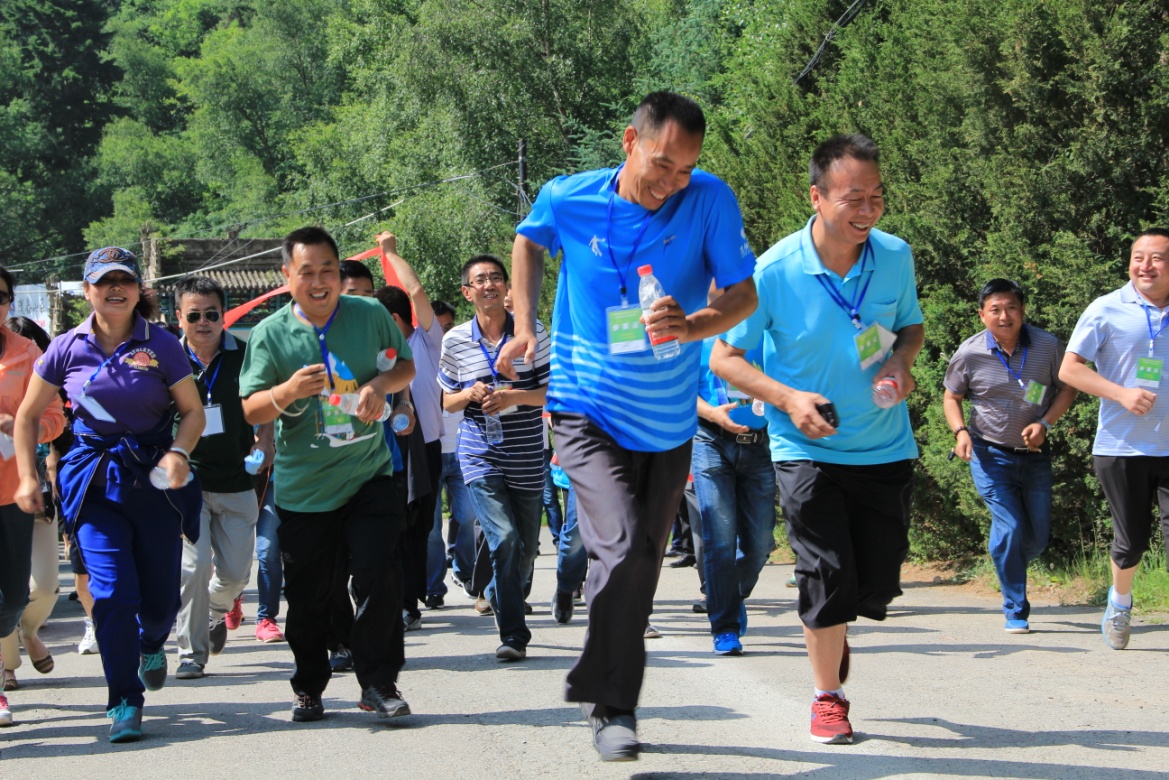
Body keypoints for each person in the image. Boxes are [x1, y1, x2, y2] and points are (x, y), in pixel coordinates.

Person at [501, 91, 757, 761]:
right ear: (629, 141)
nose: (671, 181)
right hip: (585, 406)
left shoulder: (709, 200)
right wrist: (525, 324)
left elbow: (742, 294)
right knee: (619, 547)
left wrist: (693, 325)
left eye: (685, 169)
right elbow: (527, 242)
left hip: (668, 420)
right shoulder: (569, 196)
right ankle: (613, 705)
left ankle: (604, 690)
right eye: (661, 163)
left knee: (639, 563)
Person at [711, 134, 923, 746]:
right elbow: (724, 357)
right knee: (824, 573)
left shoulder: (895, 256)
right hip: (805, 449)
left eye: (877, 197)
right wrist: (788, 399)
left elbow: (909, 325)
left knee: (874, 581)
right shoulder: (772, 272)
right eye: (853, 198)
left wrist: (900, 363)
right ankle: (828, 694)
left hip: (884, 445)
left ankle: (833, 629)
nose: (867, 210)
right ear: (817, 196)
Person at [14, 247, 203, 742]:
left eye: (125, 280)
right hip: (93, 485)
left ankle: (152, 643)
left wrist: (179, 452)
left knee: (159, 605)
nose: (115, 288)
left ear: (139, 290)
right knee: (113, 593)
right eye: (103, 281)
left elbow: (193, 412)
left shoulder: (162, 344)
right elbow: (28, 416)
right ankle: (123, 699)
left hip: (153, 482)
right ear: (87, 291)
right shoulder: (65, 347)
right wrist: (29, 477)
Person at [239, 226, 416, 722]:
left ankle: (379, 683)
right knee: (311, 596)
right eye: (307, 272)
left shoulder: (370, 314)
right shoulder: (270, 334)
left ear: (340, 273)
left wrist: (379, 386)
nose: (319, 282)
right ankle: (309, 685)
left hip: (369, 474)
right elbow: (251, 409)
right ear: (286, 276)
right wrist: (287, 392)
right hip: (305, 490)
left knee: (380, 575)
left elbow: (404, 367)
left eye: (328, 271)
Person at [943, 278, 1077, 634]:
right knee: (1011, 527)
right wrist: (960, 432)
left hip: (1035, 452)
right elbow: (951, 397)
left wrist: (1045, 424)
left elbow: (1068, 388)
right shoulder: (969, 353)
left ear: (1022, 310)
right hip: (989, 453)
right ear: (981, 314)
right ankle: (1015, 608)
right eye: (996, 310)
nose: (1004, 316)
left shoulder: (1048, 346)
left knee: (1036, 538)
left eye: (1011, 308)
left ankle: (1006, 554)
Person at [1059, 228, 1169, 650]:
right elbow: (1070, 369)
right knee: (1132, 540)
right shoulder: (1106, 308)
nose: (1146, 265)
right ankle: (1120, 602)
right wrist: (1121, 394)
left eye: (1156, 257)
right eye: (1139, 257)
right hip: (1121, 446)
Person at [439, 254, 550, 661]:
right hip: (479, 452)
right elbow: (446, 402)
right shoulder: (455, 341)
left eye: (496, 278)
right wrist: (468, 394)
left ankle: (495, 591)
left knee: (526, 550)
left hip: (527, 452)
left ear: (506, 287)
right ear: (467, 292)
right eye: (480, 280)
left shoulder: (533, 333)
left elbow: (552, 392)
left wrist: (513, 397)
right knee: (504, 539)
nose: (489, 285)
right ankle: (514, 635)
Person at [173, 276, 275, 680]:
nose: (203, 322)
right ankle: (190, 653)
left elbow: (266, 404)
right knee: (194, 567)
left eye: (211, 314)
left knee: (234, 575)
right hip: (188, 482)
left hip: (237, 478)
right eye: (194, 315)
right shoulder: (167, 360)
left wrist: (265, 440)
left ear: (224, 316)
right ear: (179, 317)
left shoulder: (246, 356)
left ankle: (216, 611)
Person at [0, 278, 66, 727]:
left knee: (11, 598)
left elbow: (55, 417)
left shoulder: (28, 354)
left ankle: (23, 631)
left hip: (14, 493)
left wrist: (22, 427)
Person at [375, 231, 445, 620]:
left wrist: (390, 253)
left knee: (419, 527)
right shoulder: (374, 352)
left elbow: (416, 291)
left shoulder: (427, 341)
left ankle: (411, 599)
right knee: (393, 526)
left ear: (394, 319)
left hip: (426, 448)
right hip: (386, 447)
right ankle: (399, 602)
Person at [692, 333, 775, 655]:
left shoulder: (763, 327)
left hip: (758, 444)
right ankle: (724, 627)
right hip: (709, 440)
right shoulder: (694, 328)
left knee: (760, 543)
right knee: (719, 539)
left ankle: (732, 594)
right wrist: (713, 414)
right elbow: (681, 390)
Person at [430, 300, 478, 593]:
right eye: (437, 327)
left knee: (468, 516)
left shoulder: (465, 355)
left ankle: (465, 572)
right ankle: (433, 586)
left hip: (462, 451)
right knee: (432, 526)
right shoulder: (418, 358)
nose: (443, 333)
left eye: (448, 326)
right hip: (431, 453)